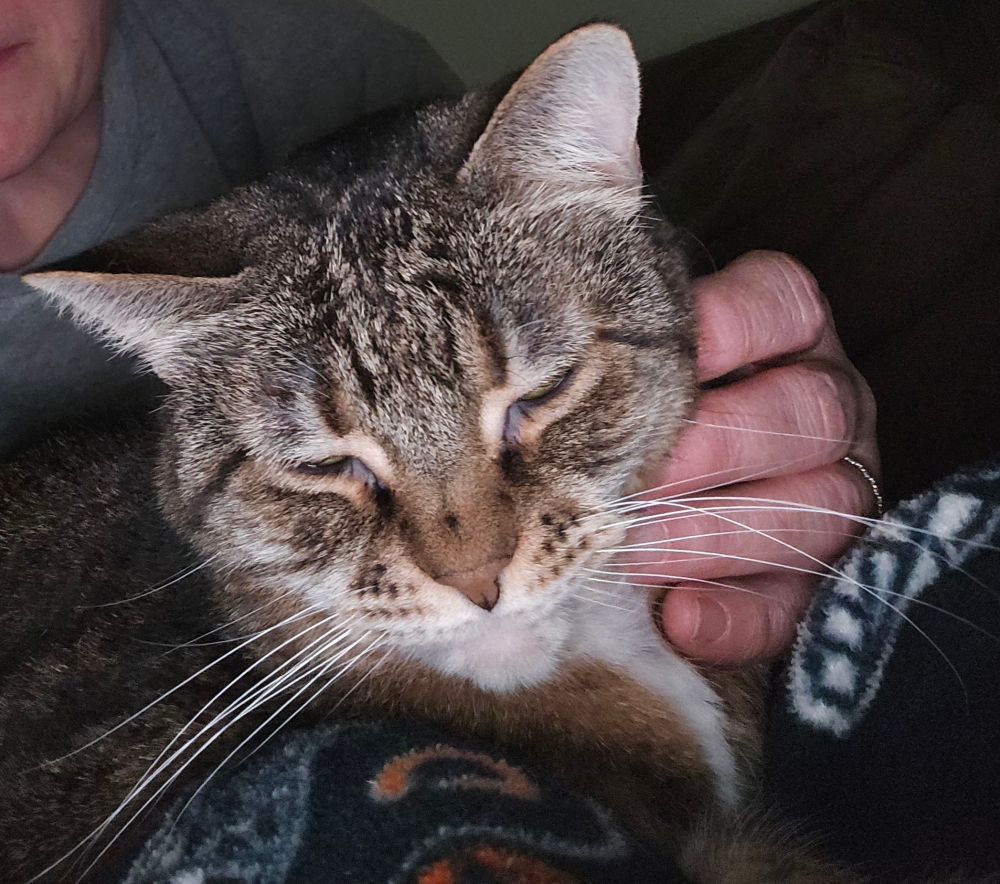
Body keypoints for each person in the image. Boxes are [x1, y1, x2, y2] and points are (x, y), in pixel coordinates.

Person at [0, 0, 878, 665]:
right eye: (330, 465)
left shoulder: (306, 56)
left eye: (536, 398)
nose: (472, 566)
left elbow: (631, 296)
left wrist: (788, 455)